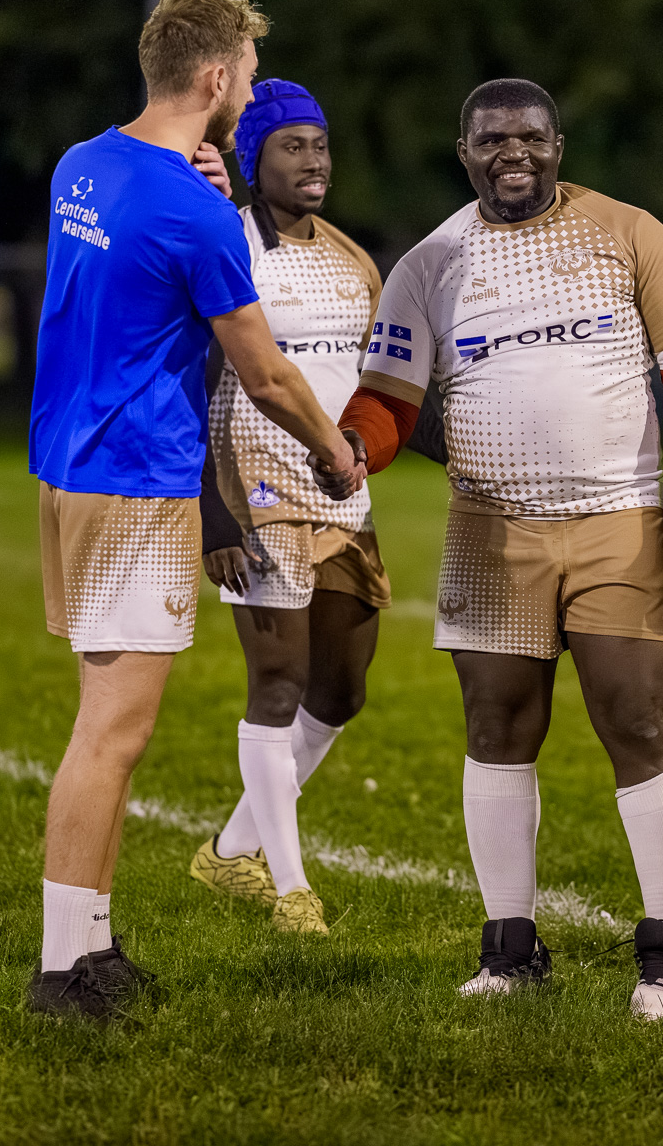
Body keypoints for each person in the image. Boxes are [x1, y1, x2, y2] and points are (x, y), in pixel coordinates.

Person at [330, 78, 663, 1019]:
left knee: (637, 718)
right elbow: (388, 402)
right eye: (490, 141)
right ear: (463, 151)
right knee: (497, 727)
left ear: (560, 145)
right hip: (488, 526)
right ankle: (510, 950)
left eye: (530, 138)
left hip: (616, 515)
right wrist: (355, 451)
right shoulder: (430, 264)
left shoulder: (630, 233)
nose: (512, 154)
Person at [26, 0, 364, 1018]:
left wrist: (205, 193)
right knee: (112, 737)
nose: (250, 93)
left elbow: (140, 257)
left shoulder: (84, 164)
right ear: (215, 79)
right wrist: (337, 456)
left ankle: (92, 939)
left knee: (106, 726)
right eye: (250, 77)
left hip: (71, 465)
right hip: (136, 479)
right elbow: (261, 373)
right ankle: (60, 971)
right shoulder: (194, 212)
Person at [184, 79, 388, 937]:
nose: (314, 162)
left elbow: (373, 377)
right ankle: (291, 889)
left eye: (319, 144)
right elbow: (186, 381)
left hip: (343, 491)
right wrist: (212, 515)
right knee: (278, 682)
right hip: (251, 490)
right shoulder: (226, 243)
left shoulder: (350, 256)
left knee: (341, 691)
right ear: (251, 158)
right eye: (290, 146)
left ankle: (229, 851)